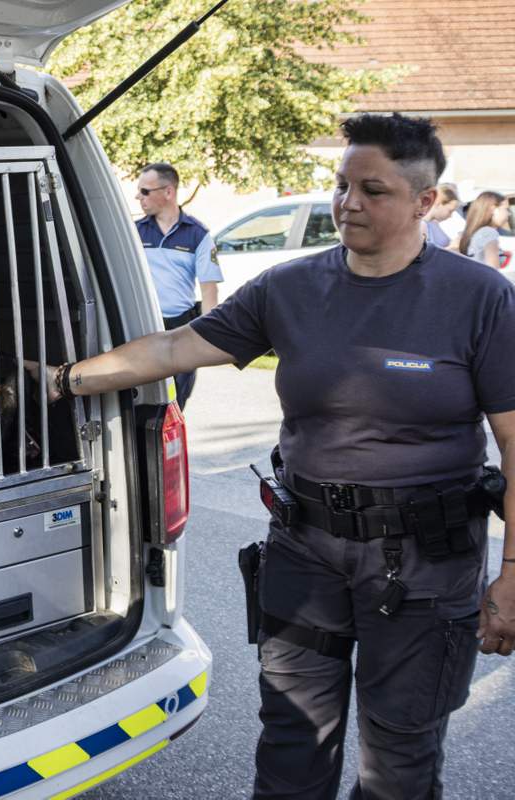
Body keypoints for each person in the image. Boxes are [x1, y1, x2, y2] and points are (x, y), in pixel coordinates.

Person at [34, 114, 515, 798]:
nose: (348, 203)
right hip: (305, 550)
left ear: (424, 201)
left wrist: (513, 573)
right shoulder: (290, 287)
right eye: (342, 185)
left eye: (373, 190)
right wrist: (63, 379)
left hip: (424, 564)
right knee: (292, 742)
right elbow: (174, 347)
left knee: (400, 756)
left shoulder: (479, 298)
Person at [134, 162, 222, 410]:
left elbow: (209, 290)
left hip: (181, 328)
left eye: (145, 191)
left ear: (168, 192)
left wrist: (208, 336)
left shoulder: (198, 234)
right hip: (143, 327)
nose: (139, 197)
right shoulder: (134, 233)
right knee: (142, 402)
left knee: (175, 403)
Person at [457, 190, 510, 267]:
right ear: (493, 209)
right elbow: (492, 269)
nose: (509, 214)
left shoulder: (476, 232)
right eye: (506, 209)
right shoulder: (488, 233)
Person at [421, 183, 458, 247]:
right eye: (450, 211)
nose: (451, 216)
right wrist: (451, 248)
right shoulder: (421, 225)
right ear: (439, 203)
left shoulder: (433, 224)